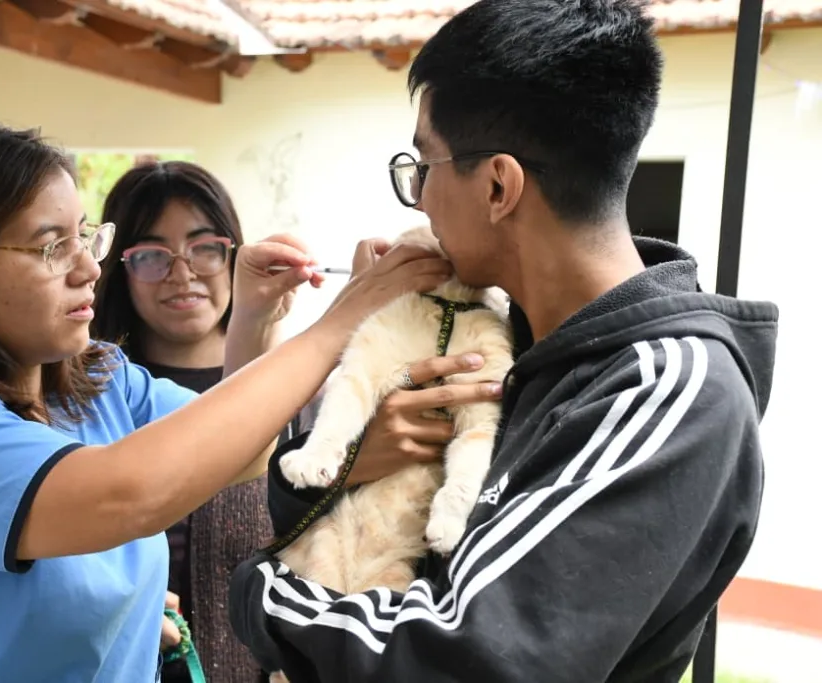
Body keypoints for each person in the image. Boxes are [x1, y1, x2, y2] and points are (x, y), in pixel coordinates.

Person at [228, 1, 779, 681]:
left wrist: (260, 593)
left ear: (497, 185)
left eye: (424, 166)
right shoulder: (507, 334)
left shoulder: (667, 388)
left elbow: (471, 656)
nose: (420, 200)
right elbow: (305, 497)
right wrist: (351, 463)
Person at [0, 123, 466, 683]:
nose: (87, 269)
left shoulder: (95, 381)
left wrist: (252, 320)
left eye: (85, 237)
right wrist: (339, 326)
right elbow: (131, 494)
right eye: (52, 248)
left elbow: (239, 451)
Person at [91, 161, 503, 682]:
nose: (182, 272)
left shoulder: (318, 394)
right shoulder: (99, 398)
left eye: (205, 248)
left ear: (233, 255)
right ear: (119, 269)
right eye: (151, 255)